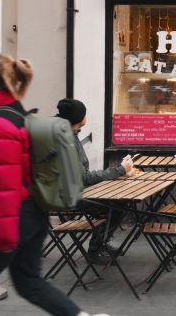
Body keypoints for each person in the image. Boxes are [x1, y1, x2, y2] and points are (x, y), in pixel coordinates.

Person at [0, 53, 110, 316]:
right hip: (35, 211)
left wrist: (5, 231)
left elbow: (7, 182)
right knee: (28, 283)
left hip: (11, 214)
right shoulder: (15, 113)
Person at [55, 98, 133, 265]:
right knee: (116, 205)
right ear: (78, 118)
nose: (86, 117)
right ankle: (95, 249)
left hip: (71, 191)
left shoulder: (68, 133)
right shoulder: (66, 140)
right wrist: (120, 170)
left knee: (118, 203)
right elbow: (84, 178)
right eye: (84, 114)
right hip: (69, 196)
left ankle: (101, 243)